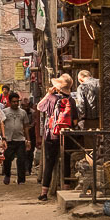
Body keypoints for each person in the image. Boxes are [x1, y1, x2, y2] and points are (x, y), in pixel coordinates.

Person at [37, 74, 76, 202]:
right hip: (67, 135)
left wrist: (48, 94)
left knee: (49, 163)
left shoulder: (52, 98)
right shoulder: (71, 100)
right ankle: (65, 191)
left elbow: (39, 107)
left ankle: (44, 193)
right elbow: (75, 120)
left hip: (51, 134)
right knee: (66, 162)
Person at [2, 91, 31, 185]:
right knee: (7, 159)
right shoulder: (5, 112)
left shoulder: (23, 112)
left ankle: (21, 179)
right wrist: (2, 138)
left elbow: (26, 126)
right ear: (10, 102)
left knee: (21, 159)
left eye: (17, 101)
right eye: (13, 102)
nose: (15, 103)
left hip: (20, 140)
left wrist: (28, 140)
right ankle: (7, 175)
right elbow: (1, 125)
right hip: (8, 139)